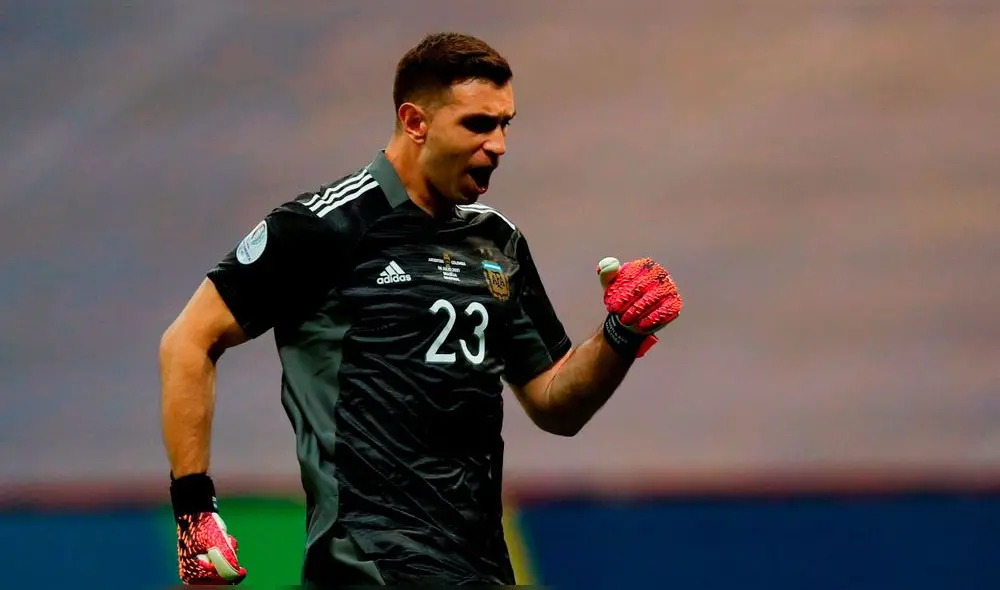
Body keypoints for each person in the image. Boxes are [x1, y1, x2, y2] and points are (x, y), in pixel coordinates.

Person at [159, 31, 683, 587]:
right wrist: (195, 511)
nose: (499, 145)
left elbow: (555, 404)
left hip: (478, 563)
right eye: (479, 125)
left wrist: (620, 334)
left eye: (506, 124)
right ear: (415, 122)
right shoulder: (323, 227)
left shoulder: (497, 243)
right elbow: (189, 340)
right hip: (367, 560)